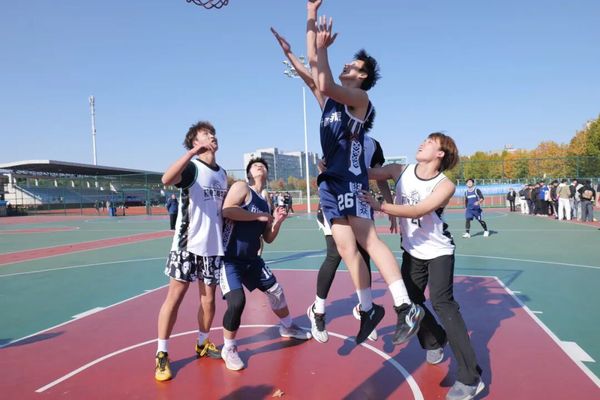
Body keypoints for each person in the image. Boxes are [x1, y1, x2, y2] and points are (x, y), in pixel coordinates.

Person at [271, 1, 423, 345]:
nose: (346, 64)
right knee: (344, 248)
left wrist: (322, 49)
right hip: (330, 184)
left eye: (352, 65)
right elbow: (313, 69)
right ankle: (368, 308)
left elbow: (322, 78)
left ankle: (405, 306)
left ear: (363, 76)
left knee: (368, 241)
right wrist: (308, 18)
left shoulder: (359, 99)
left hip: (351, 180)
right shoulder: (330, 102)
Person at [361, 133, 484, 400]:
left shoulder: (445, 185)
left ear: (440, 154)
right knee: (410, 302)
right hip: (412, 251)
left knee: (442, 304)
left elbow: (419, 210)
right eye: (424, 140)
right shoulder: (399, 170)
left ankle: (470, 377)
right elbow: (367, 172)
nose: (422, 143)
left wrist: (380, 205)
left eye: (430, 142)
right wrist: (338, 156)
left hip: (439, 251)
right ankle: (435, 339)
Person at [219, 158, 311, 371]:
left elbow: (268, 238)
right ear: (249, 173)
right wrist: (259, 215)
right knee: (237, 302)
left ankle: (287, 327)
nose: (260, 166)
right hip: (230, 258)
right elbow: (227, 211)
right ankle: (229, 348)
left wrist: (277, 222)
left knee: (276, 291)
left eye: (263, 165)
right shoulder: (242, 187)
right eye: (255, 165)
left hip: (253, 259)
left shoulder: (266, 199)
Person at [154, 121, 228, 381]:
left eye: (213, 133)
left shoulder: (222, 174)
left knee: (208, 301)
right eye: (206, 134)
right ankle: (162, 353)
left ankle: (202, 342)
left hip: (213, 247)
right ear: (196, 142)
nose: (213, 136)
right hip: (187, 245)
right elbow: (166, 179)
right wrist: (191, 153)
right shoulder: (192, 168)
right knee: (175, 297)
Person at [310, 135, 396, 343]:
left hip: (359, 200)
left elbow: (381, 177)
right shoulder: (337, 137)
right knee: (335, 254)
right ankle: (317, 310)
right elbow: (323, 166)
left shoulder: (373, 145)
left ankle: (364, 309)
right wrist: (322, 167)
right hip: (335, 200)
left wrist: (390, 207)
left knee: (365, 253)